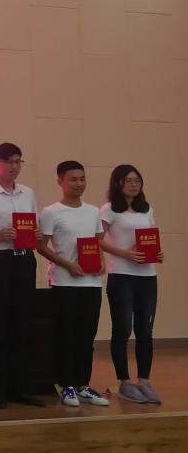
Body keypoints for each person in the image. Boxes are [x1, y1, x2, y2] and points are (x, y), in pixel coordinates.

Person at [0, 143, 45, 409]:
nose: (14, 166)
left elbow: (32, 223)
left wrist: (36, 234)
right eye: (9, 161)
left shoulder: (28, 192)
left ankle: (20, 387)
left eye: (18, 161)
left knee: (21, 324)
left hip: (24, 260)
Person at [37, 160, 109, 408]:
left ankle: (82, 384)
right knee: (66, 335)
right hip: (64, 282)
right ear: (60, 181)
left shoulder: (93, 211)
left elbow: (96, 243)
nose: (79, 184)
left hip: (92, 283)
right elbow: (41, 246)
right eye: (73, 179)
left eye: (82, 179)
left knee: (87, 335)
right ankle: (66, 384)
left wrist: (101, 261)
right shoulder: (51, 212)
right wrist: (67, 264)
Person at [100, 164, 162, 404]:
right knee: (123, 328)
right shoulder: (109, 209)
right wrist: (124, 253)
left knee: (145, 330)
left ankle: (144, 380)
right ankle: (125, 382)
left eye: (137, 180)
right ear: (118, 183)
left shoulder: (146, 209)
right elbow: (97, 240)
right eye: (129, 180)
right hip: (121, 275)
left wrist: (157, 253)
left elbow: (150, 238)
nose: (134, 184)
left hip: (147, 276)